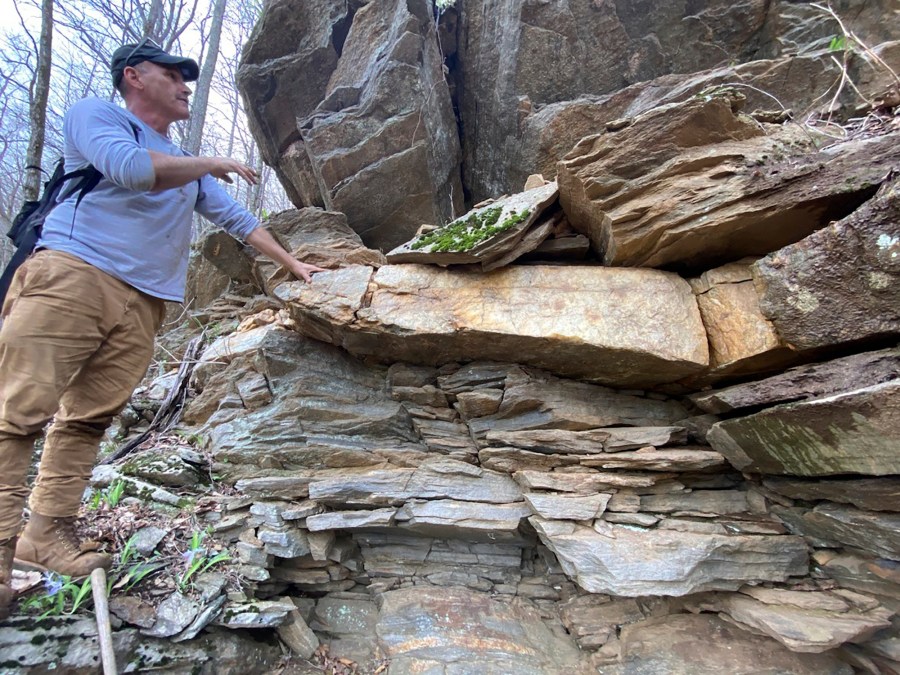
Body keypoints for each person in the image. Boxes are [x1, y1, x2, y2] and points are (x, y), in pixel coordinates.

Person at [0, 39, 325, 617]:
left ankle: (45, 536)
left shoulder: (183, 164)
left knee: (88, 419)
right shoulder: (98, 117)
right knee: (16, 415)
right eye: (172, 73)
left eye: (187, 77)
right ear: (134, 76)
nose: (184, 85)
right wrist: (211, 162)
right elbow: (128, 171)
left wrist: (294, 264)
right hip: (72, 274)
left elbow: (237, 218)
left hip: (145, 302)